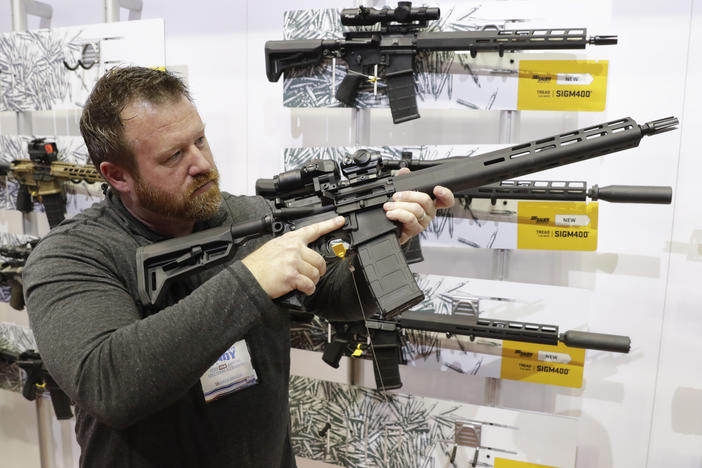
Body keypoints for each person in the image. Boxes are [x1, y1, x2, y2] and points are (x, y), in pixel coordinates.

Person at [23, 66, 455, 468]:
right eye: (174, 156)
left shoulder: (248, 215)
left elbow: (335, 297)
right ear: (118, 176)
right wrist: (251, 280)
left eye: (201, 140)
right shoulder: (71, 255)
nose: (203, 164)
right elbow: (108, 384)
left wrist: (383, 239)